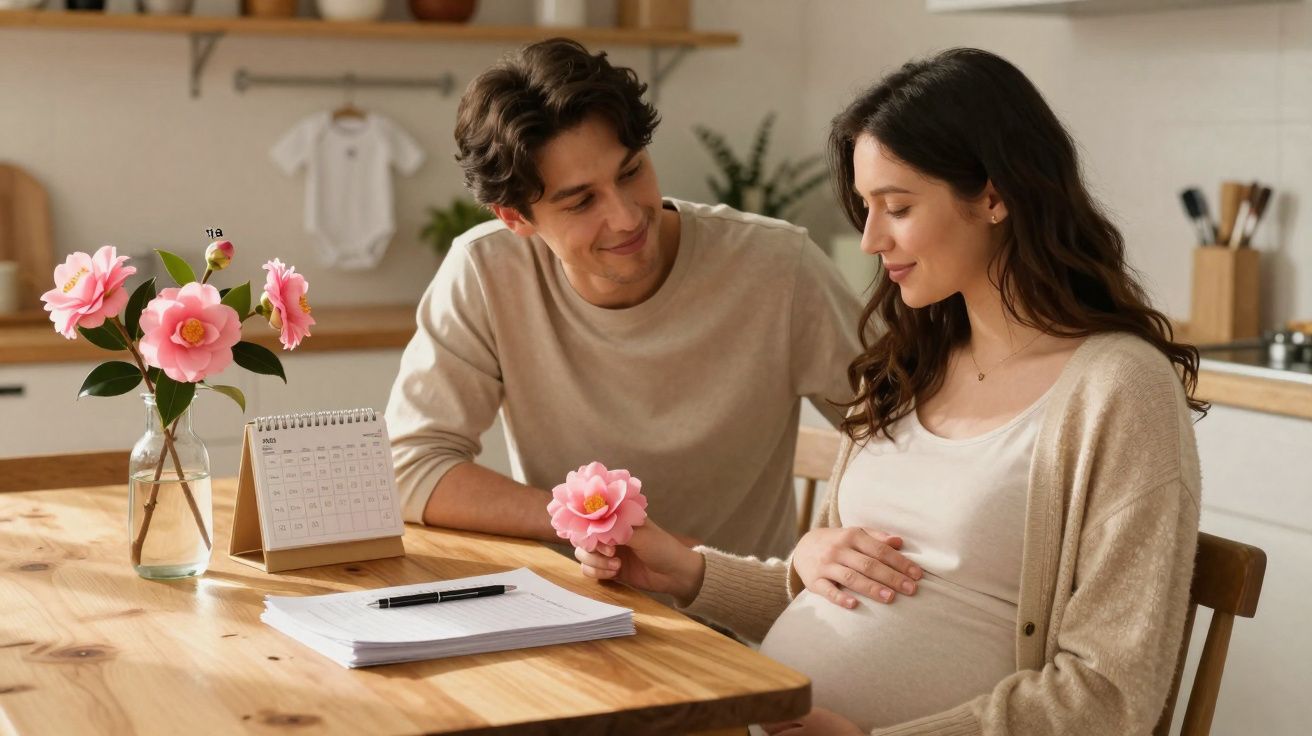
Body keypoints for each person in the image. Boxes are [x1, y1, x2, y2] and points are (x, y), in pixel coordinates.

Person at [572, 47, 1206, 735]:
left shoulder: (1119, 390)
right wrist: (686, 572)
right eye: (867, 208)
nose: (872, 239)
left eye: (897, 207)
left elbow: (1109, 696)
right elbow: (845, 595)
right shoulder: (909, 368)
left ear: (994, 196)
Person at [385, 38, 866, 562]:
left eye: (631, 172)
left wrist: (815, 549)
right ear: (516, 218)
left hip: (740, 605)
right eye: (581, 201)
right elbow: (409, 466)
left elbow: (907, 431)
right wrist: (598, 522)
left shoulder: (779, 267)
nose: (627, 217)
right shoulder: (485, 272)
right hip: (570, 600)